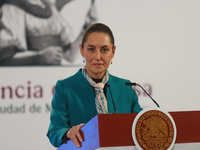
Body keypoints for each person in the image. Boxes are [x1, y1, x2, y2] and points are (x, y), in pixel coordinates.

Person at [46, 23, 142, 147]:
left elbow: (142, 125)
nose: (98, 57)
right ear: (82, 50)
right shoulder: (65, 88)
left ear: (113, 52)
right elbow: (54, 131)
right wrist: (68, 133)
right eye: (91, 49)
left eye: (104, 50)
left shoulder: (125, 87)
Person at [0, 0, 96, 65]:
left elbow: (69, 55)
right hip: (27, 86)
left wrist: (87, 28)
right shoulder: (11, 9)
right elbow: (5, 58)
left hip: (51, 81)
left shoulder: (51, 9)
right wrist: (38, 57)